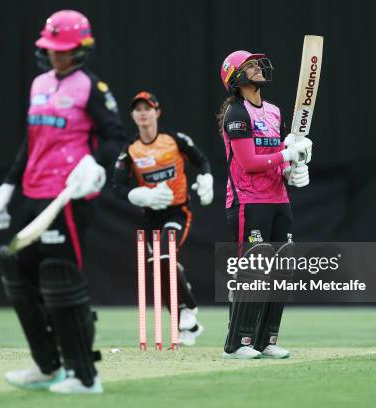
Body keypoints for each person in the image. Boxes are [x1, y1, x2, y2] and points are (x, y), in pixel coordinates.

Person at [0, 10, 125, 394]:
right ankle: (48, 366)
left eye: (65, 51)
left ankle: (84, 376)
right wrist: (8, 186)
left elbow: (115, 137)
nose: (58, 57)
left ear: (81, 50)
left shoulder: (91, 88)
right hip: (34, 193)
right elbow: (33, 141)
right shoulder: (39, 85)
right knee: (15, 266)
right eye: (53, 50)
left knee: (59, 275)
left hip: (70, 197)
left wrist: (95, 163)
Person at [217, 50, 312, 359]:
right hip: (248, 200)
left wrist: (293, 170)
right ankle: (237, 345)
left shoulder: (273, 111)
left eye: (257, 64)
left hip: (278, 199)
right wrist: (284, 156)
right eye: (250, 66)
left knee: (283, 262)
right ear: (237, 77)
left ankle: (265, 340)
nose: (258, 68)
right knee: (256, 265)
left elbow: (277, 158)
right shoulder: (236, 113)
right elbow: (248, 162)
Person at [112, 91, 213, 346]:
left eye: (148, 108)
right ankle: (183, 321)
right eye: (138, 109)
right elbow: (117, 186)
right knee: (156, 268)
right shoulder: (131, 150)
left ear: (157, 112)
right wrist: (138, 194)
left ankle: (189, 308)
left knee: (166, 253)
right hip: (150, 215)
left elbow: (200, 160)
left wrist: (206, 179)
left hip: (178, 210)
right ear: (133, 116)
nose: (143, 113)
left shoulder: (174, 140)